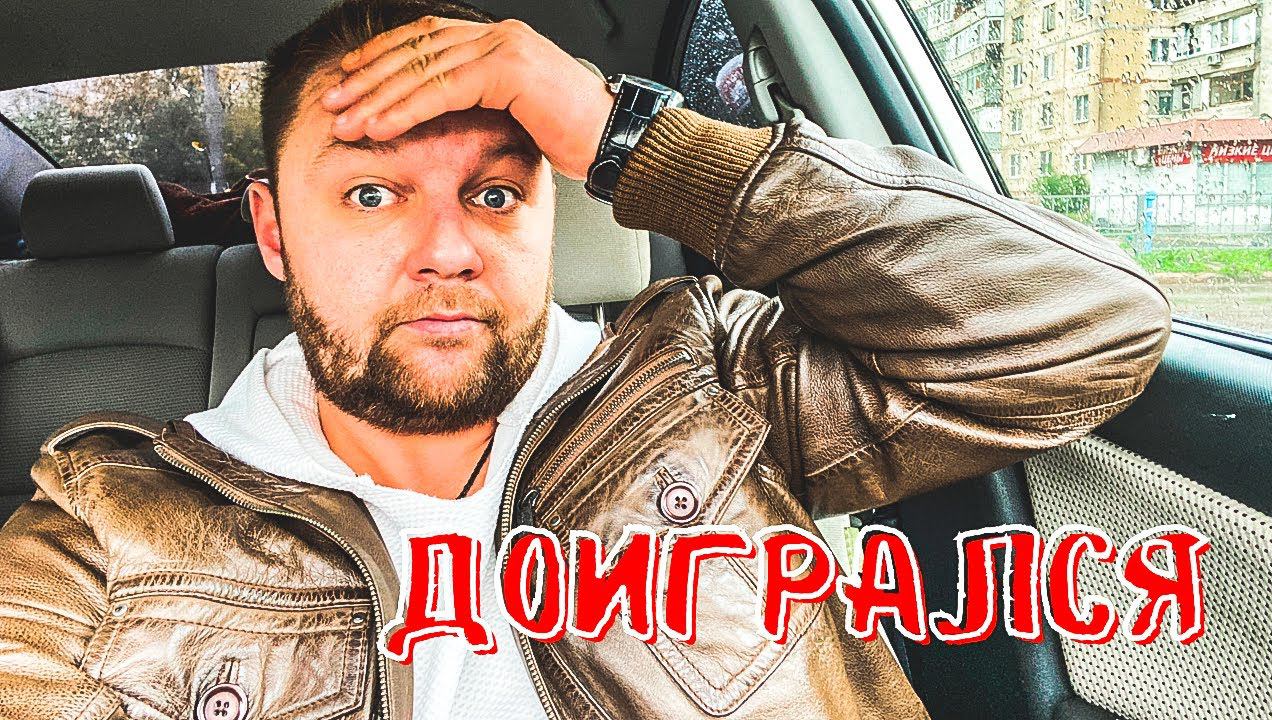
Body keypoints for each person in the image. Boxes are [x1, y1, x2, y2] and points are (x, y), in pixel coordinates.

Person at [0, 0, 1171, 718]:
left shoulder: (706, 388)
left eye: (495, 193)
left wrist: (625, 132)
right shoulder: (104, 542)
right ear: (271, 230)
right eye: (370, 194)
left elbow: (1088, 327)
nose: (448, 250)